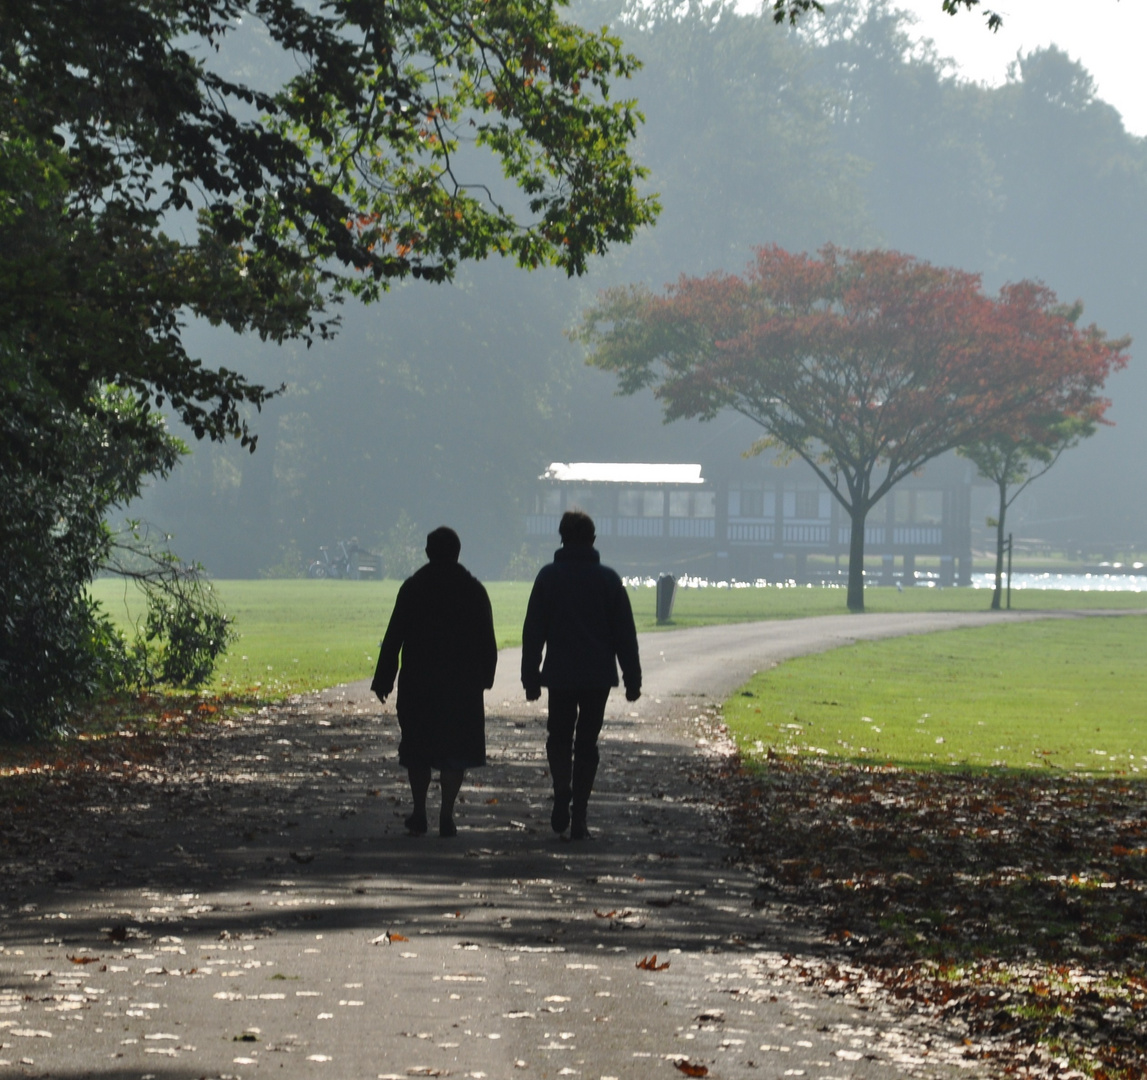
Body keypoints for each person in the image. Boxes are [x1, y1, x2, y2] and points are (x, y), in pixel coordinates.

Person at [521, 509, 641, 840]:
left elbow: (534, 631)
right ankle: (580, 818)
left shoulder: (548, 577)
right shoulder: (608, 579)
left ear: (561, 537)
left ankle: (562, 787)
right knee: (587, 743)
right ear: (592, 539)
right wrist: (632, 678)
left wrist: (530, 675)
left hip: (560, 673)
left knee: (558, 736)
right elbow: (624, 635)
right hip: (597, 675)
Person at [372, 527, 497, 838]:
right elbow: (487, 640)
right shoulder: (473, 589)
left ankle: (418, 811)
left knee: (418, 748)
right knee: (456, 750)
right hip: (462, 683)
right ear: (457, 552)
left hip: (420, 680)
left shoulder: (414, 587)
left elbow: (394, 636)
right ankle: (447, 814)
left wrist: (384, 678)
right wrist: (486, 676)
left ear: (428, 552)